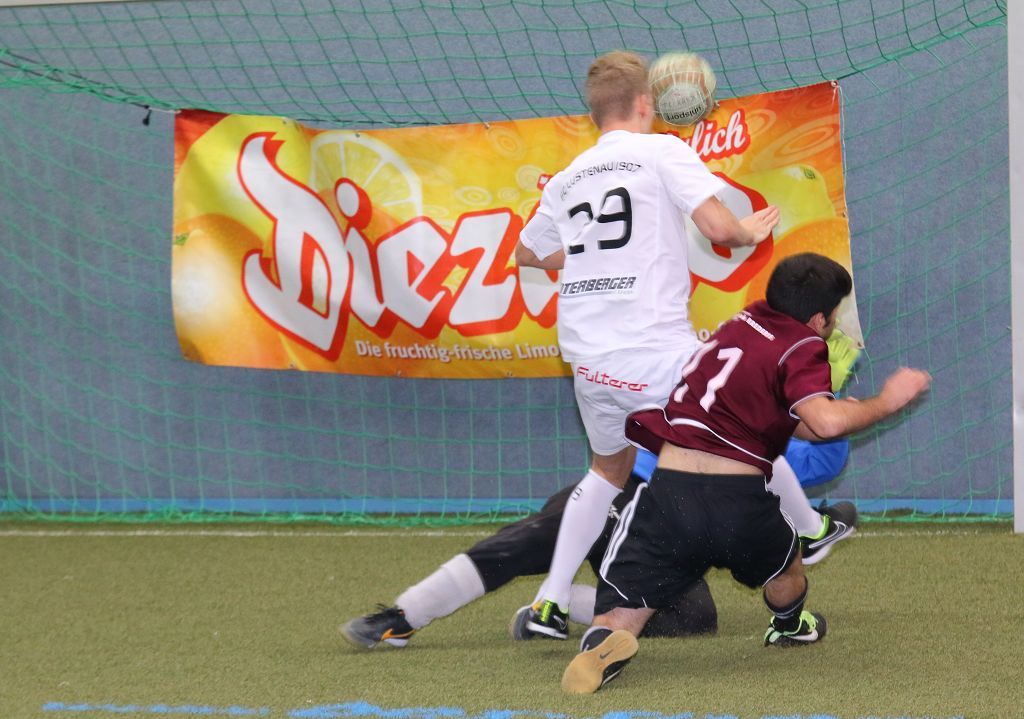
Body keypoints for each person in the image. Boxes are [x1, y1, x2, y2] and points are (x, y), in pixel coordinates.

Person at [559, 253, 931, 694]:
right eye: (833, 316)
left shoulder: (740, 323)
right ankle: (790, 625)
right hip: (737, 500)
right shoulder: (802, 344)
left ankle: (603, 642)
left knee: (625, 606)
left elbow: (790, 419)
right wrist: (887, 401)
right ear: (819, 319)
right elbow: (826, 423)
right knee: (788, 564)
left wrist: (825, 415)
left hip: (670, 493)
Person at [513, 49, 780, 640]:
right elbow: (718, 227)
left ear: (594, 113)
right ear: (645, 103)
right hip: (653, 348)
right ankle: (808, 531)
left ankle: (550, 603)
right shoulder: (662, 150)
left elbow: (526, 253)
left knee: (607, 470)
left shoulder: (568, 176)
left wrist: (588, 259)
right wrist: (746, 232)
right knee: (744, 418)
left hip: (587, 356)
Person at [340, 440, 853, 650]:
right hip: (623, 491)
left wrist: (827, 405)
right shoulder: (701, 377)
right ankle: (404, 616)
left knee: (695, 617)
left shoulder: (795, 439)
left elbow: (819, 459)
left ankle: (559, 605)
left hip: (666, 531)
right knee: (536, 539)